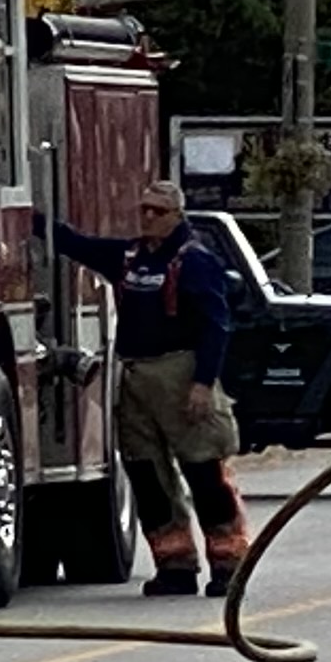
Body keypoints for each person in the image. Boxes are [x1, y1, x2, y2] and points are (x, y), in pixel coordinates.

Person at [49, 177, 249, 594]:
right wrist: (31, 221)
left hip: (181, 372)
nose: (147, 217)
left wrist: (202, 383)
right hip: (134, 375)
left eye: (157, 211)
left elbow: (216, 325)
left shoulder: (194, 261)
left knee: (204, 472)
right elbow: (77, 245)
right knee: (147, 476)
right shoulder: (129, 257)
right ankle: (175, 566)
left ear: (177, 216)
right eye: (143, 209)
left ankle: (229, 566)